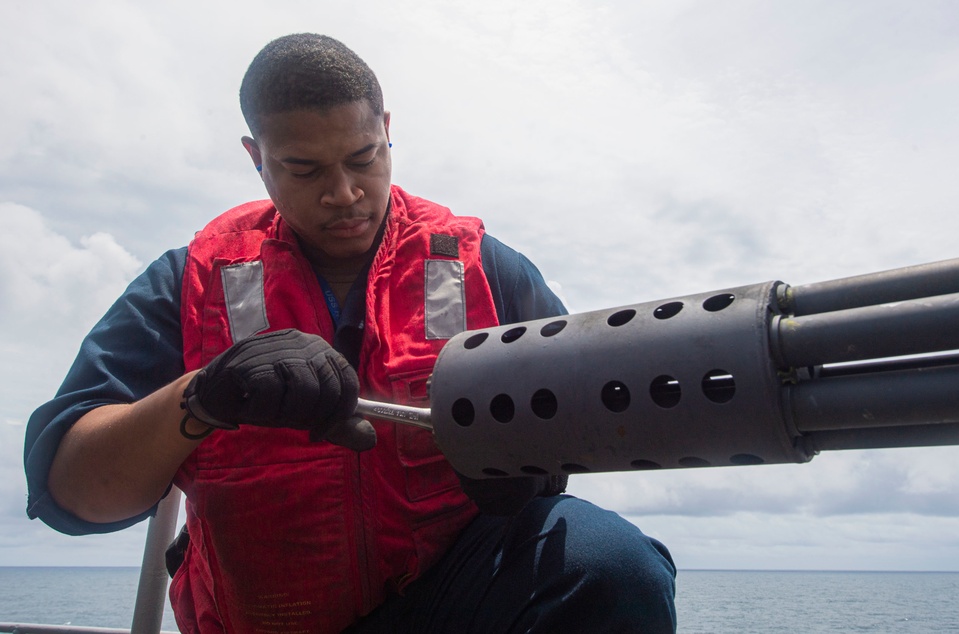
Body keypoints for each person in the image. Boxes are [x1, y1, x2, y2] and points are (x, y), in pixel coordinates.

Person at [24, 33, 677, 633]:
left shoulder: (483, 267)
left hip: (447, 607)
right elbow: (72, 494)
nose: (344, 193)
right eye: (304, 170)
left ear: (387, 132)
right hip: (262, 620)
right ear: (256, 158)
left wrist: (535, 468)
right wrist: (203, 398)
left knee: (616, 569)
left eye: (364, 158)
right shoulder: (185, 281)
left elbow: (584, 418)